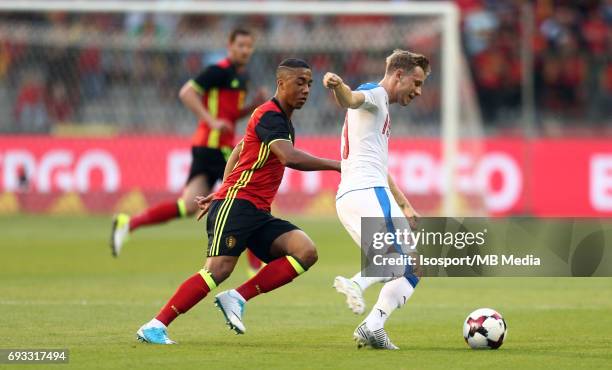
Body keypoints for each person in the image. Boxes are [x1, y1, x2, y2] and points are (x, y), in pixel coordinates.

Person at [136, 58, 341, 344]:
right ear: (281, 83)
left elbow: (238, 150)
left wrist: (222, 187)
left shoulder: (280, 121)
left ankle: (237, 296)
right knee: (217, 269)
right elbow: (289, 157)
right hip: (238, 205)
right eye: (300, 82)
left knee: (305, 251)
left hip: (256, 210)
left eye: (309, 83)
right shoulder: (270, 116)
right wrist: (337, 164)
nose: (306, 89)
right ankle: (155, 325)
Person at [110, 28, 266, 274]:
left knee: (187, 205)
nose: (245, 51)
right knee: (247, 197)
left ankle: (128, 224)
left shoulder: (242, 77)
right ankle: (255, 267)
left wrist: (252, 106)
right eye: (241, 46)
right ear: (230, 45)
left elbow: (230, 115)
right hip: (214, 146)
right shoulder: (217, 71)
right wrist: (211, 120)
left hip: (212, 147)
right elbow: (187, 93)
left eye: (249, 46)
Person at [323, 49, 429, 350]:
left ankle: (374, 325)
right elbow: (351, 99)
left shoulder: (381, 109)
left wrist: (405, 204)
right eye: (416, 82)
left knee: (415, 265)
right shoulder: (375, 94)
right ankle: (356, 282)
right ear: (399, 75)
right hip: (366, 191)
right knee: (396, 257)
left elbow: (381, 167)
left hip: (355, 195)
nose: (419, 91)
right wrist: (337, 86)